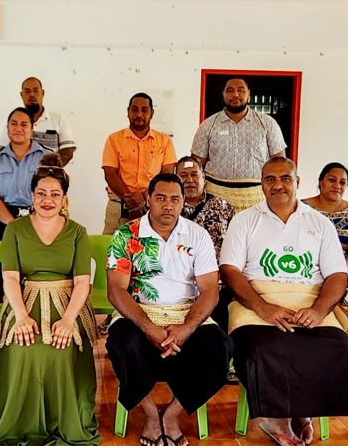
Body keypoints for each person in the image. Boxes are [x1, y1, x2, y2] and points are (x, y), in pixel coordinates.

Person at [0, 164, 100, 446]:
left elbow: (82, 282)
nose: (48, 199)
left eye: (55, 194)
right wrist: (20, 316)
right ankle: (17, 421)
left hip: (67, 303)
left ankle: (63, 420)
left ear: (64, 198)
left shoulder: (77, 232)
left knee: (61, 349)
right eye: (41, 193)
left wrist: (69, 320)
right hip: (25, 300)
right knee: (24, 347)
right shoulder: (15, 229)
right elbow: (9, 277)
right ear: (31, 195)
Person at [220, 157, 348, 446]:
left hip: (310, 301)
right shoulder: (245, 220)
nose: (277, 185)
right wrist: (262, 307)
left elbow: (337, 275)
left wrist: (319, 310)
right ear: (262, 183)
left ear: (297, 181)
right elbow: (229, 271)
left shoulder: (319, 222)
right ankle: (276, 421)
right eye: (270, 179)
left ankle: (304, 411)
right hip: (256, 301)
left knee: (340, 348)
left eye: (285, 178)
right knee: (262, 348)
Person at [106, 173, 232, 446]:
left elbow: (210, 290)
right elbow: (116, 291)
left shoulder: (197, 235)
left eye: (175, 199)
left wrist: (186, 328)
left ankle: (172, 415)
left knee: (220, 347)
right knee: (122, 343)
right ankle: (151, 415)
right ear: (148, 199)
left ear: (183, 202)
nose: (167, 205)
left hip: (186, 312)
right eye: (160, 198)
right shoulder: (126, 235)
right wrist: (149, 327)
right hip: (139, 311)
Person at [190, 78, 286, 212]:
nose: (236, 95)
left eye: (241, 90)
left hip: (257, 196)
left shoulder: (267, 123)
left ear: (249, 94)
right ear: (223, 94)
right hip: (216, 195)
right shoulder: (208, 125)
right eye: (230, 90)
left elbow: (280, 164)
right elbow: (196, 164)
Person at [100, 92, 177, 234]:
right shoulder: (114, 139)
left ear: (152, 113)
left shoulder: (164, 141)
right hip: (119, 205)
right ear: (128, 112)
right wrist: (129, 198)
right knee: (111, 250)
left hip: (152, 206)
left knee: (150, 250)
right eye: (134, 109)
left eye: (144, 110)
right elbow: (109, 173)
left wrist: (144, 196)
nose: (139, 114)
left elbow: (167, 175)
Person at [176, 156, 237, 332]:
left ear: (204, 179)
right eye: (183, 176)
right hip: (177, 286)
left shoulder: (224, 208)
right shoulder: (167, 209)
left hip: (216, 286)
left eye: (194, 175)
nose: (189, 180)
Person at [0, 107, 50, 247]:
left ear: (32, 129)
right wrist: (13, 224)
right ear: (7, 128)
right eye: (14, 124)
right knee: (2, 266)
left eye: (24, 124)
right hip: (2, 221)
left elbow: (56, 192)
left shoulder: (47, 158)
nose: (18, 128)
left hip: (39, 219)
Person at [0, 77, 76, 165]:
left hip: (48, 175)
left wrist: (49, 169)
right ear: (21, 95)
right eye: (27, 91)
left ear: (42, 93)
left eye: (36, 91)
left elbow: (68, 150)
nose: (32, 95)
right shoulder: (11, 121)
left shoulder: (58, 119)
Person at [302, 162, 348, 259]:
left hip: (344, 265)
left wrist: (344, 268)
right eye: (332, 180)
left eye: (342, 182)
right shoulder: (302, 208)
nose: (337, 186)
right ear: (321, 181)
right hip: (307, 264)